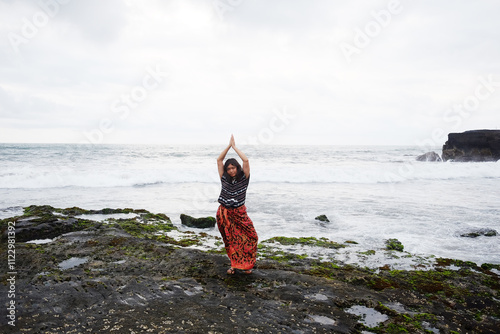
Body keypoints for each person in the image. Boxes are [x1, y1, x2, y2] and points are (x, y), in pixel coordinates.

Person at [216, 135, 258, 275]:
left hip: (240, 213)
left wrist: (234, 147)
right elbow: (219, 160)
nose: (231, 171)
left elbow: (246, 160)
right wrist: (227, 147)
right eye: (229, 169)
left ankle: (246, 265)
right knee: (231, 240)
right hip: (225, 213)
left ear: (237, 168)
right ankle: (234, 265)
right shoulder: (224, 179)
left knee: (251, 237)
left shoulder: (244, 178)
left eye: (233, 168)